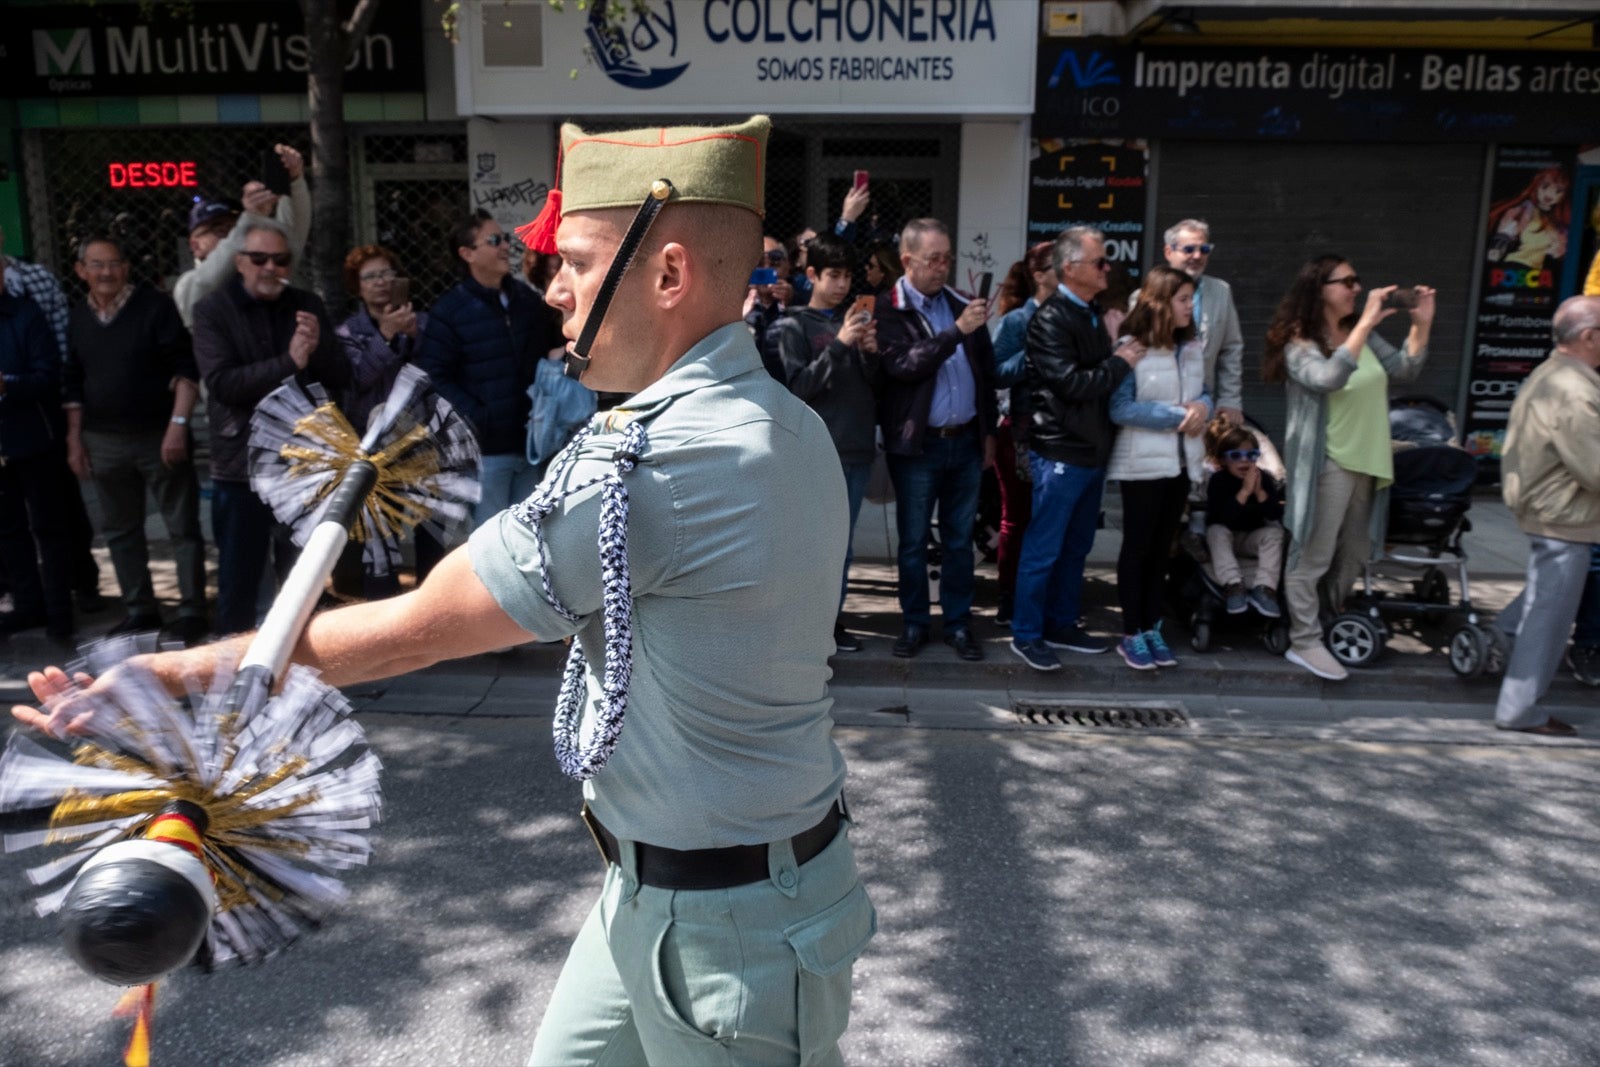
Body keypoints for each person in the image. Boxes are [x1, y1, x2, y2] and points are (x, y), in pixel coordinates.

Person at [15, 113, 875, 1066]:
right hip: (662, 890)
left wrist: (169, 676)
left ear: (668, 275)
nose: (553, 289)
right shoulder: (781, 418)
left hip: (730, 933)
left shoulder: (661, 462)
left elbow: (419, 628)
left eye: (578, 263)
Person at [1263, 256, 1434, 681]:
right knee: (1313, 556)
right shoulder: (1299, 342)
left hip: (1369, 461)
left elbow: (1405, 369)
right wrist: (1363, 327)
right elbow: (1327, 379)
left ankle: (1325, 618)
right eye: (1347, 282)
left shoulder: (1363, 336)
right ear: (1320, 288)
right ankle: (1304, 640)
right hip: (1330, 462)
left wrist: (1422, 324)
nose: (1357, 289)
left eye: (1359, 281)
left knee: (1355, 554)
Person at [191, 218, 351, 636]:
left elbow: (340, 375)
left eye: (280, 260)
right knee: (240, 578)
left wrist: (315, 350)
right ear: (239, 262)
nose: (270, 268)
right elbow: (223, 385)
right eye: (259, 258)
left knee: (303, 577)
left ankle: (301, 667)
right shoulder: (212, 310)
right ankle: (229, 671)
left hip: (301, 464)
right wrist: (289, 363)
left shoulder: (305, 304)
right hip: (240, 466)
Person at [1007, 226, 1142, 673]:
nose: (1108, 268)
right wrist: (1121, 361)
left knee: (1076, 547)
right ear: (1071, 268)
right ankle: (1027, 634)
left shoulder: (1091, 313)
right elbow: (1071, 384)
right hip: (1061, 451)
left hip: (1091, 451)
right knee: (1044, 547)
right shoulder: (1049, 319)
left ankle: (1062, 623)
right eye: (1100, 261)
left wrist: (1116, 353)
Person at [63, 235, 207, 645]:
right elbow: (72, 381)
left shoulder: (155, 308)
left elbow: (186, 367)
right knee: (120, 531)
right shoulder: (77, 317)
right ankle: (140, 610)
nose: (106, 272)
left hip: (158, 436)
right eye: (96, 264)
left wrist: (178, 424)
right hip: (102, 440)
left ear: (126, 267)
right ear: (81, 271)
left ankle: (193, 610)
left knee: (183, 527)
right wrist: (75, 440)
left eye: (114, 263)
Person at [877, 217, 997, 661]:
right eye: (933, 259)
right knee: (912, 542)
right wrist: (956, 332)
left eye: (947, 257)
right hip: (917, 445)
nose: (943, 266)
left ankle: (959, 623)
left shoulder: (961, 303)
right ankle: (914, 623)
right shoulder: (887, 307)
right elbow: (903, 366)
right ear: (908, 261)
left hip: (965, 441)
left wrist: (988, 433)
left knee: (959, 540)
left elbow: (984, 373)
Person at [1490, 295, 1600, 735]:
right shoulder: (1575, 389)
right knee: (1550, 620)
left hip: (1550, 510)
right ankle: (1520, 710)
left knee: (1544, 601)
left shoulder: (1553, 374)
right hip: (1564, 516)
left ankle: (1501, 636)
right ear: (1590, 337)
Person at [417, 210, 560, 529]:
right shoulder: (449, 311)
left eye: (505, 238)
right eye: (494, 240)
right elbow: (435, 377)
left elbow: (549, 352)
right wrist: (479, 419)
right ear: (467, 254)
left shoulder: (527, 300)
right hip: (485, 454)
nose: (505, 247)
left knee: (529, 538)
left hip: (532, 446)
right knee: (491, 543)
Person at [773, 233, 879, 653]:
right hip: (816, 450)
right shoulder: (794, 324)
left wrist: (870, 352)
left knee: (843, 547)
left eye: (847, 276)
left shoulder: (851, 321)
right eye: (833, 275)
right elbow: (797, 387)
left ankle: (830, 623)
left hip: (856, 448)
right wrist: (840, 345)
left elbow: (876, 388)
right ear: (811, 274)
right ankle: (801, 628)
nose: (841, 284)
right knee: (809, 545)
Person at [1105, 265, 1210, 670]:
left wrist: (1205, 407)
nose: (1190, 306)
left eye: (1191, 298)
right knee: (1138, 547)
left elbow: (1204, 394)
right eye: (1183, 299)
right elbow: (1120, 408)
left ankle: (1153, 627)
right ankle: (1131, 632)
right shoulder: (1133, 346)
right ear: (1161, 302)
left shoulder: (1191, 346)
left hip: (1182, 463)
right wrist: (1177, 415)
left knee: (1162, 551)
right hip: (1142, 465)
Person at [1, 222, 107, 615]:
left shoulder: (33, 287)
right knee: (9, 526)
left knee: (58, 514)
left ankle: (75, 591)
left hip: (42, 421)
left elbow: (59, 354)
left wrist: (66, 419)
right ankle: (24, 598)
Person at [0, 270, 75, 642]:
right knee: (8, 532)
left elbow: (48, 375)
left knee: (49, 528)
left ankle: (61, 612)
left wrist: (7, 384)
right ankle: (29, 606)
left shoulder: (25, 314)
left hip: (33, 439)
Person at [987, 241, 1055, 626]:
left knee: (1052, 522)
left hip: (1066, 434)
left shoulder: (1077, 316)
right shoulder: (1016, 321)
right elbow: (995, 373)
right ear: (1040, 275)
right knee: (1017, 518)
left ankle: (1046, 599)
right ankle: (1009, 596)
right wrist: (1032, 354)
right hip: (1021, 434)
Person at [173, 144, 310, 328]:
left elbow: (290, 235)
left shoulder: (265, 272)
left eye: (234, 227)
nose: (231, 235)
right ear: (195, 246)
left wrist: (294, 181)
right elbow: (210, 279)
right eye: (219, 230)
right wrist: (249, 220)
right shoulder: (187, 285)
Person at [1161, 219, 1245, 425]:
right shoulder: (1144, 295)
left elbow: (1231, 349)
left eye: (1204, 249)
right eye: (1189, 249)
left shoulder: (1221, 291)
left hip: (1203, 404)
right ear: (1169, 252)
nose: (1197, 256)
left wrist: (1230, 400)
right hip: (1157, 405)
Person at [335, 245, 425, 437]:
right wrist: (385, 335)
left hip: (420, 426)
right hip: (368, 432)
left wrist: (415, 337)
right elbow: (358, 380)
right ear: (357, 287)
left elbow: (436, 369)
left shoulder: (421, 322)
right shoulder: (347, 332)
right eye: (369, 277)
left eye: (386, 273)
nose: (380, 282)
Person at [1203, 418, 1285, 618]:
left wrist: (1259, 493)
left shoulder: (1263, 478)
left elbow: (1273, 514)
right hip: (1225, 537)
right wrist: (1245, 492)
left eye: (1251, 455)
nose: (1244, 461)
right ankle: (1233, 584)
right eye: (1236, 456)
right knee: (1216, 531)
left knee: (1275, 534)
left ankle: (1265, 588)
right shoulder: (1219, 480)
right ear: (1223, 460)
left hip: (1251, 537)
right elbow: (1223, 517)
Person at [1486, 166, 1570, 271]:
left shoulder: (1555, 222)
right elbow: (1504, 236)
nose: (1550, 194)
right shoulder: (1525, 210)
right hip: (1516, 265)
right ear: (1536, 185)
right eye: (1545, 186)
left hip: (1535, 271)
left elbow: (1558, 253)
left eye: (1558, 191)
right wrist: (1500, 244)